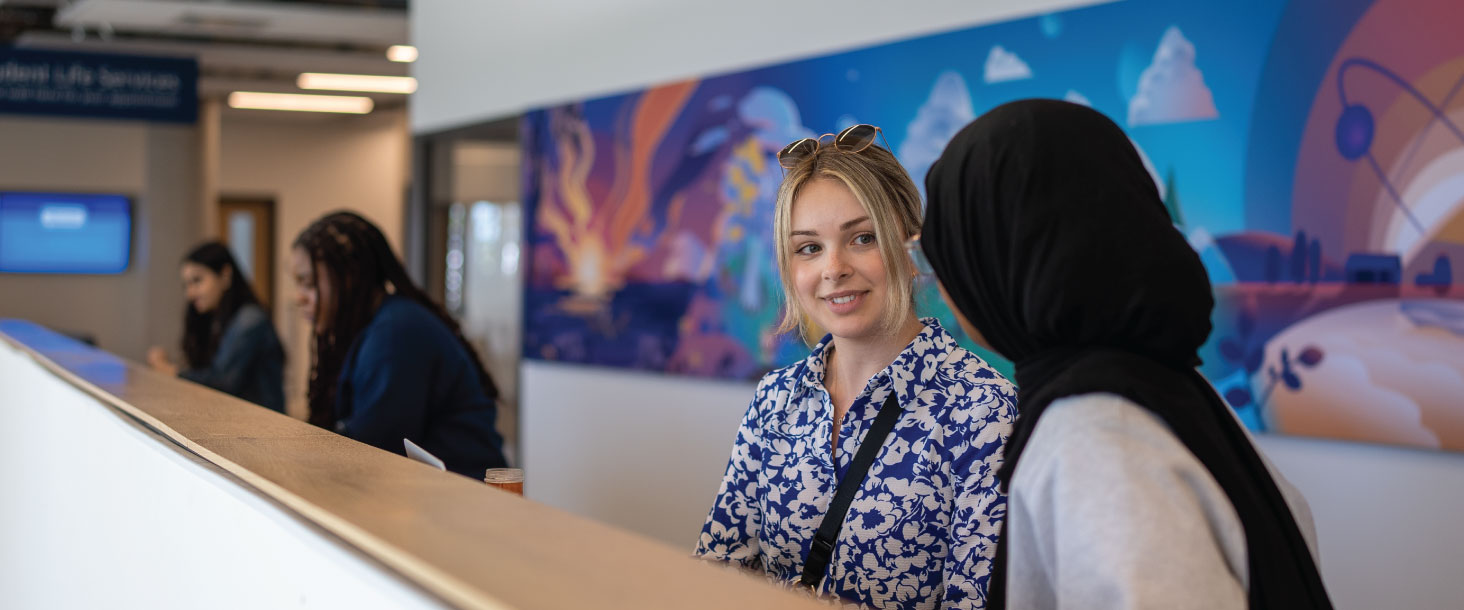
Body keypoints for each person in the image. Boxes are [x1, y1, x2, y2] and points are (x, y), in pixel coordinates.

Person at [920, 99, 1333, 609]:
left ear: (1011, 258)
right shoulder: (1168, 389)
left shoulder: (1095, 437)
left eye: (956, 254)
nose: (943, 287)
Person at [694, 124, 1018, 609]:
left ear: (910, 248)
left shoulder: (983, 410)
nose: (833, 268)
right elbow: (718, 572)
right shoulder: (776, 398)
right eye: (809, 247)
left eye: (862, 238)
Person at [290, 211, 508, 479]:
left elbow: (370, 449)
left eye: (309, 283)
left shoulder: (395, 333)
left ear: (349, 276)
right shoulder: (377, 325)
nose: (299, 297)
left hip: (463, 498)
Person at [148, 241, 285, 413]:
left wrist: (168, 369)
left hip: (263, 426)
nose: (189, 293)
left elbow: (222, 381)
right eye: (186, 285)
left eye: (197, 281)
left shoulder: (250, 319)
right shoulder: (214, 318)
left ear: (225, 275)